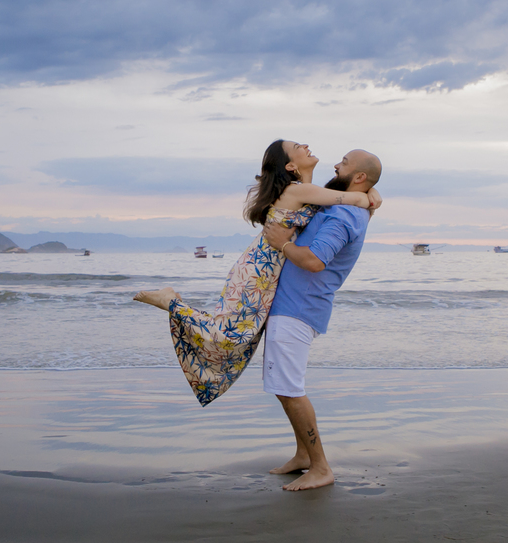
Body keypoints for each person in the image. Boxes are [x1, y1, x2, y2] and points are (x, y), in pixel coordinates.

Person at [133, 140, 381, 406]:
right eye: (297, 146)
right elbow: (353, 198)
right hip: (259, 268)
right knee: (231, 334)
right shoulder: (297, 191)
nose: (306, 144)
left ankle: (177, 310)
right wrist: (368, 195)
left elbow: (336, 197)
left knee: (240, 332)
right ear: (290, 166)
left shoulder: (308, 191)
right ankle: (171, 302)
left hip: (267, 271)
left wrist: (371, 189)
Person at [259, 148, 381, 491]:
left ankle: (320, 467)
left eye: (344, 163)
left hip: (298, 309)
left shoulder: (344, 215)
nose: (336, 165)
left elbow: (315, 261)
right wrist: (371, 194)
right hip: (294, 306)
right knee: (284, 388)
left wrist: (283, 245)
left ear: (358, 177)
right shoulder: (346, 206)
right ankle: (303, 455)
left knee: (289, 390)